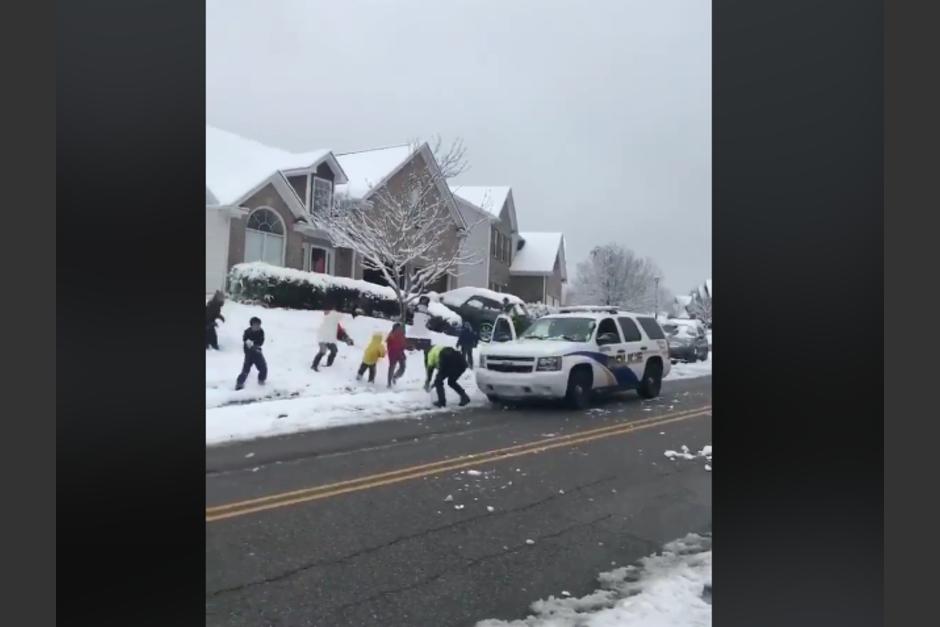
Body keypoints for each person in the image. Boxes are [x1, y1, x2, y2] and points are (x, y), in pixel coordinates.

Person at [235, 317, 267, 390]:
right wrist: (249, 343)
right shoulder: (247, 332)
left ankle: (261, 381)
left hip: (257, 352)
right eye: (255, 325)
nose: (257, 326)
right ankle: (239, 384)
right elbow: (245, 340)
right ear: (251, 325)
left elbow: (261, 342)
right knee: (246, 370)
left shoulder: (261, 331)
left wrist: (255, 344)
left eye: (259, 325)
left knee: (263, 367)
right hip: (249, 354)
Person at [386, 322, 407, 387]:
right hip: (393, 353)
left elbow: (403, 343)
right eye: (398, 328)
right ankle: (389, 383)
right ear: (395, 329)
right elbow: (389, 345)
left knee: (403, 367)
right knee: (392, 367)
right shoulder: (391, 335)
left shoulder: (401, 334)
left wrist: (406, 347)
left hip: (400, 352)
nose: (400, 329)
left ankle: (395, 377)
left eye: (400, 328)